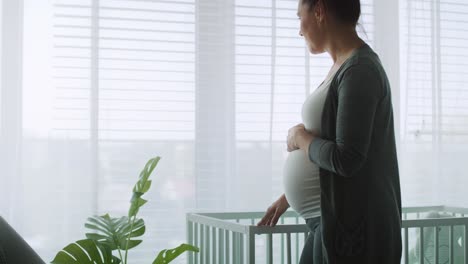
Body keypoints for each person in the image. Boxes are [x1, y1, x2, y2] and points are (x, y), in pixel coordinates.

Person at [257, 0, 402, 263]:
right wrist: (287, 198)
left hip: (353, 227)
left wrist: (301, 139)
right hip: (330, 220)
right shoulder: (344, 67)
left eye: (300, 17)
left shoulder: (359, 70)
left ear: (320, 11)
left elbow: (347, 158)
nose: (300, 30)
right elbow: (330, 146)